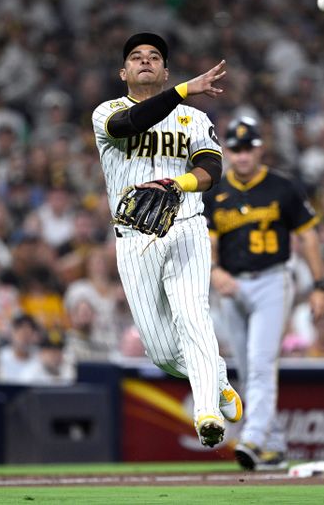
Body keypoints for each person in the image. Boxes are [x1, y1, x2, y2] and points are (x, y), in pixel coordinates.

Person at [91, 32, 241, 448]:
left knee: (193, 317)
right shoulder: (107, 112)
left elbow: (212, 171)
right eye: (136, 57)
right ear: (123, 72)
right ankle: (219, 378)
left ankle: (207, 412)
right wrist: (181, 91)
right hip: (134, 236)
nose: (145, 61)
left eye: (154, 57)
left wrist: (178, 182)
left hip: (186, 226)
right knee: (159, 350)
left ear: (165, 70)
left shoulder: (193, 118)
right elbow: (129, 125)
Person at [205, 116, 324, 470]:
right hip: (232, 285)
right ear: (227, 151)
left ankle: (253, 438)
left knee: (260, 363)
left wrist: (320, 285)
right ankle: (273, 445)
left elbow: (308, 237)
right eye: (237, 149)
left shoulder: (282, 187)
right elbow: (209, 242)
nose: (243, 156)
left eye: (249, 148)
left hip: (273, 279)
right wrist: (215, 272)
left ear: (260, 149)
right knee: (245, 369)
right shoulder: (217, 192)